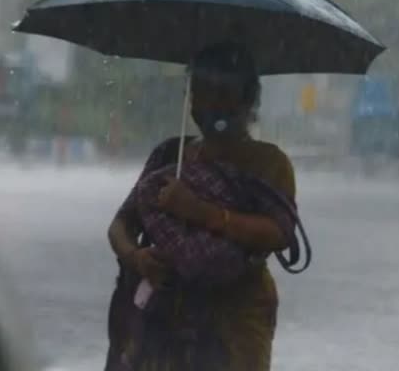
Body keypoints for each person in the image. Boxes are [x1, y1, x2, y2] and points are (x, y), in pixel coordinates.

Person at [105, 43, 298, 371]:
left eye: (223, 92)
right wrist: (136, 258)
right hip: (162, 321)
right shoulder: (170, 155)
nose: (210, 103)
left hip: (235, 324)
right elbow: (121, 226)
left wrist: (201, 212)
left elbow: (278, 233)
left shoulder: (268, 163)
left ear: (248, 99)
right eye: (201, 91)